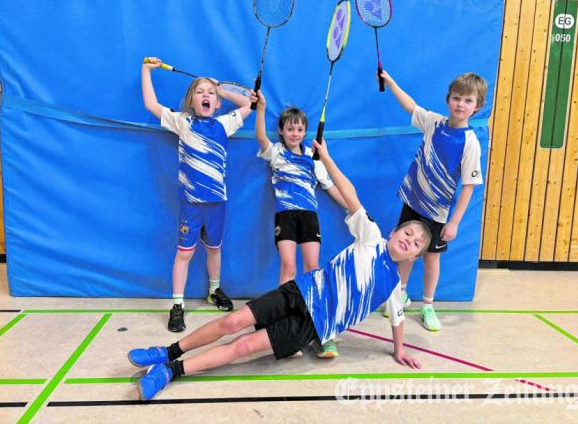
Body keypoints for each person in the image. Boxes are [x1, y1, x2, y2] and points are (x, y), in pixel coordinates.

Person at [128, 137, 432, 401]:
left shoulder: (393, 286)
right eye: (408, 234)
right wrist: (325, 157)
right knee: (232, 323)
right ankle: (168, 351)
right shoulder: (371, 236)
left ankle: (170, 371)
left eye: (417, 243)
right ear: (394, 233)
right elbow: (350, 195)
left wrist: (400, 350)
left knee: (244, 345)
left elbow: (398, 320)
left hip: (312, 327)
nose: (410, 240)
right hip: (299, 292)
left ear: (415, 257)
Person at [142, 57, 256, 332]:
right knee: (185, 253)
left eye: (211, 94)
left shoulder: (224, 123)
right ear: (191, 100)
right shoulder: (182, 121)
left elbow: (248, 105)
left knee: (215, 249)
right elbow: (150, 105)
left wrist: (222, 89)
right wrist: (146, 70)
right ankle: (177, 305)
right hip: (191, 204)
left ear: (216, 103)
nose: (206, 96)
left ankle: (214, 290)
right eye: (200, 92)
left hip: (217, 202)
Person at [379, 70, 486, 331]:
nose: (461, 104)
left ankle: (427, 305)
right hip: (412, 202)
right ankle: (401, 293)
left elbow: (469, 187)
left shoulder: (470, 142)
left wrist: (454, 223)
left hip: (437, 213)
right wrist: (391, 81)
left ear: (477, 107)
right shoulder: (434, 123)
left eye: (468, 101)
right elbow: (410, 106)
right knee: (406, 251)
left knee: (430, 259)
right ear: (448, 99)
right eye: (457, 98)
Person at [254, 90, 348, 358]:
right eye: (290, 129)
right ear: (282, 132)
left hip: (308, 217)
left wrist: (353, 209)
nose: (295, 133)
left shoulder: (313, 158)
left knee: (312, 269)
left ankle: (318, 324)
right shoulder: (275, 153)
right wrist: (261, 109)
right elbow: (260, 136)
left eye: (300, 129)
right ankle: (282, 319)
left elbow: (331, 188)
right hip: (285, 215)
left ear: (306, 131)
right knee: (288, 266)